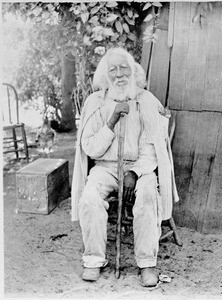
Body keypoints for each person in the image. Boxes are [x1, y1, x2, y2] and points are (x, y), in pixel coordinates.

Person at [71, 47, 179, 287]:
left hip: (139, 166)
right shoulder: (95, 102)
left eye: (124, 67)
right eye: (113, 69)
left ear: (133, 71)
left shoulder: (145, 100)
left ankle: (147, 263)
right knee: (89, 198)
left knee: (149, 194)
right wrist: (111, 121)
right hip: (105, 167)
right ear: (105, 76)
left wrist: (134, 172)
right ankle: (93, 260)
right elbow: (90, 148)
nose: (119, 74)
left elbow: (153, 147)